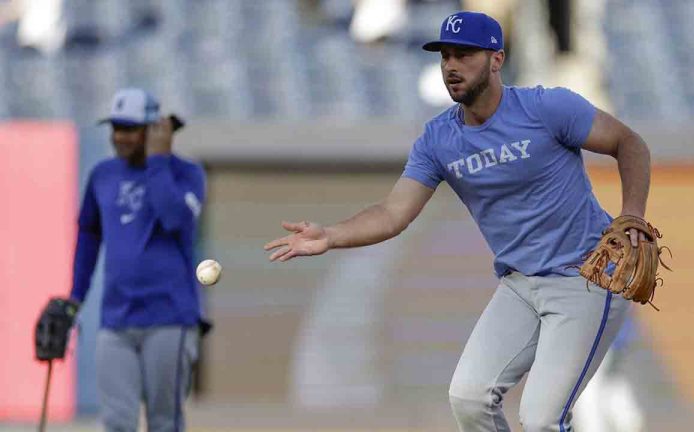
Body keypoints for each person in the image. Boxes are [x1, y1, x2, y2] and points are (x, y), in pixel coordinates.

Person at [265, 11, 651, 432]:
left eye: (464, 55)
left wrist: (631, 215)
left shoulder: (547, 107)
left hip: (585, 277)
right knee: (469, 398)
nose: (451, 65)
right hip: (521, 285)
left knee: (541, 419)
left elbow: (628, 143)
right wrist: (331, 235)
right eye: (445, 56)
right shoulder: (438, 140)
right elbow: (394, 213)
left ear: (496, 60)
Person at [70, 88, 207, 431]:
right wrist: (75, 297)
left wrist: (158, 161)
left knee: (164, 421)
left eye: (130, 128)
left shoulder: (186, 174)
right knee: (116, 421)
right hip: (116, 320)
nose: (119, 137)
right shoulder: (103, 175)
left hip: (170, 319)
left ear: (153, 130)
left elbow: (175, 218)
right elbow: (88, 235)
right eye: (116, 128)